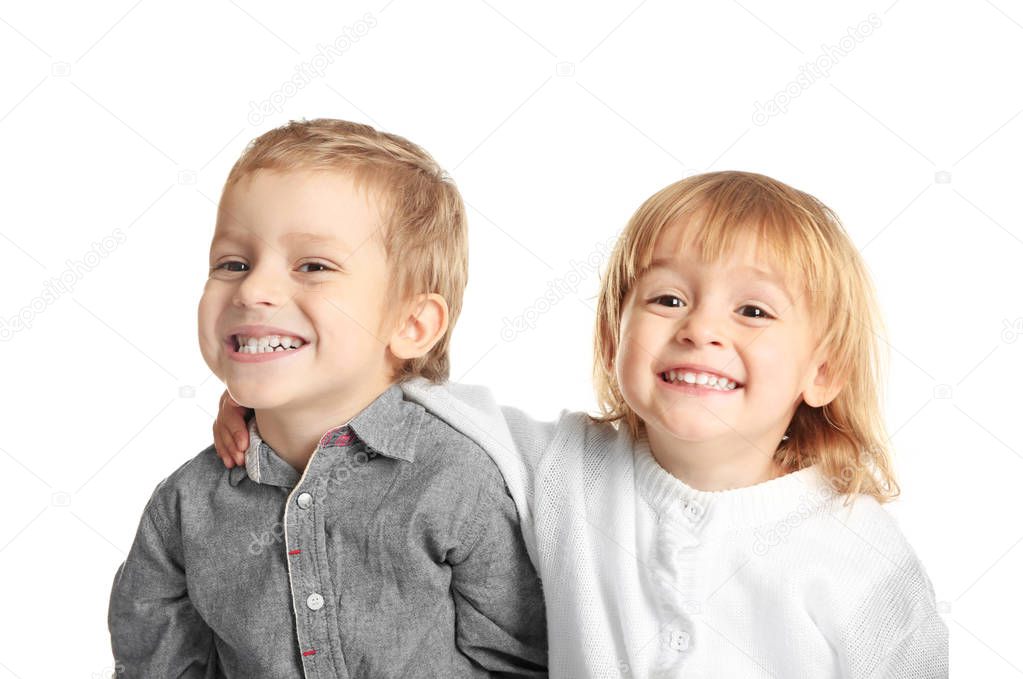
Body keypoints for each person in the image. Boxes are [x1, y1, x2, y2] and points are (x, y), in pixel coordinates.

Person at [214, 170, 948, 677]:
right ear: (612, 339)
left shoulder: (855, 553)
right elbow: (408, 393)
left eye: (751, 310)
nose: (700, 328)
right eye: (666, 299)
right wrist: (272, 395)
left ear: (821, 371)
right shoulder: (566, 467)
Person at [109, 118, 547, 678]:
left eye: (313, 266)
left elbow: (525, 662)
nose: (253, 290)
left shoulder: (457, 480)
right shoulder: (185, 506)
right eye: (233, 264)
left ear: (412, 323)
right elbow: (156, 666)